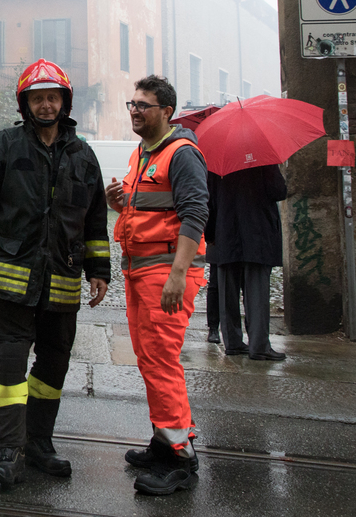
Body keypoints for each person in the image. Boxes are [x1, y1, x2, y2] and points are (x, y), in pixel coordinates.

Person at [0, 59, 110, 488]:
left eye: (53, 97)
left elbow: (95, 216)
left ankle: (39, 444)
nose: (46, 105)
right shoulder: (4, 145)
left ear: (65, 102)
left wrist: (99, 269)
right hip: (12, 277)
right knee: (10, 361)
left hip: (62, 278)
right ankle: (8, 449)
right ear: (25, 103)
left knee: (54, 363)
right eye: (38, 98)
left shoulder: (83, 154)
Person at [105, 75, 209, 496]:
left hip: (165, 274)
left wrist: (179, 274)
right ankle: (163, 440)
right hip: (140, 271)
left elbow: (195, 212)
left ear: (166, 112)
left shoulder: (181, 154)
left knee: (161, 361)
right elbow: (147, 209)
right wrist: (118, 202)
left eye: (143, 105)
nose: (134, 110)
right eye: (131, 104)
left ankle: (179, 458)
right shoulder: (142, 155)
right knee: (150, 359)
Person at [206, 164, 288, 360]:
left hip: (225, 232)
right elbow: (279, 191)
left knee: (228, 291)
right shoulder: (263, 161)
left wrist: (210, 235)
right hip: (257, 233)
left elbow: (209, 200)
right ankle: (259, 346)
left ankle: (233, 342)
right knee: (257, 291)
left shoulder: (217, 164)